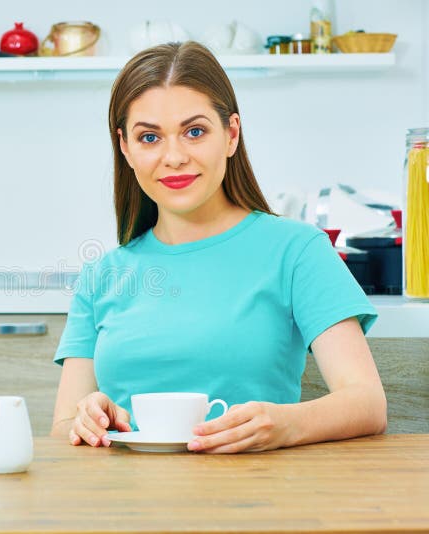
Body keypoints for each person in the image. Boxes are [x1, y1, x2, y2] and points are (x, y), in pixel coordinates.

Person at [50, 41, 387, 454]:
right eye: (150, 137)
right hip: (126, 507)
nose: (173, 157)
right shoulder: (102, 275)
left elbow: (368, 403)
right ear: (125, 148)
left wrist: (285, 424)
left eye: (194, 132)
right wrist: (86, 418)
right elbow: (63, 427)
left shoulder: (297, 251)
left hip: (254, 501)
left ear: (230, 134)